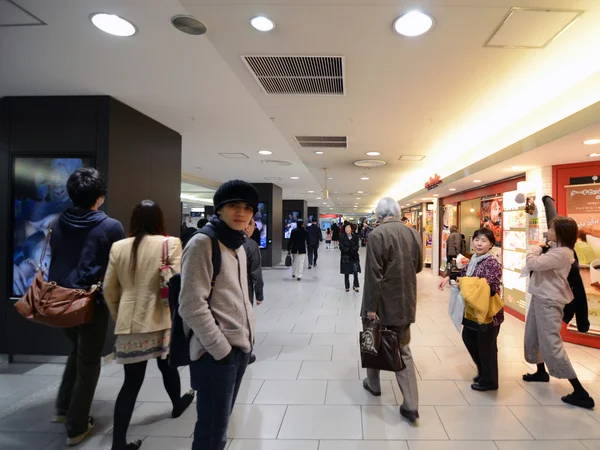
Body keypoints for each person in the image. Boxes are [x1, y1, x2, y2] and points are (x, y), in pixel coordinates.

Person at [104, 200, 194, 450]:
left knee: (131, 383)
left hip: (130, 322)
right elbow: (177, 282)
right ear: (160, 220)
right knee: (168, 366)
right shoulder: (170, 243)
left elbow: (109, 288)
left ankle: (118, 443)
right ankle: (176, 404)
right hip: (162, 317)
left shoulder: (119, 247)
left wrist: (118, 314)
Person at [48, 168, 125, 446]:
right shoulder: (110, 226)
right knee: (89, 362)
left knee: (77, 350)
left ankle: (62, 407)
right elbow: (118, 266)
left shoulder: (57, 222)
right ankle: (76, 425)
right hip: (90, 301)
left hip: (57, 300)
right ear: (100, 197)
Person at [179, 180, 257, 450]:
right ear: (220, 208)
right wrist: (220, 349)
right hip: (216, 355)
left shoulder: (238, 245)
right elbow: (190, 304)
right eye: (234, 205)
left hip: (239, 350)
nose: (241, 212)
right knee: (211, 434)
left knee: (220, 427)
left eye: (248, 208)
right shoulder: (203, 243)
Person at [521, 217, 595, 409]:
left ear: (561, 232)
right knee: (534, 336)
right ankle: (540, 372)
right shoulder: (555, 248)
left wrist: (535, 248)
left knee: (552, 344)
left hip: (550, 301)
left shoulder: (562, 252)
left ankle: (580, 392)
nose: (548, 231)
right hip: (540, 296)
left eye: (552, 228)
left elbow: (534, 264)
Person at [361, 198, 423, 423]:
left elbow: (373, 275)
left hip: (380, 303)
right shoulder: (413, 233)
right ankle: (410, 405)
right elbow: (417, 266)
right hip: (405, 301)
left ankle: (374, 385)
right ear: (397, 212)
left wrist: (370, 307)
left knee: (373, 340)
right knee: (403, 348)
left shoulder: (377, 235)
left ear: (379, 214)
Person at [439, 227, 503, 392]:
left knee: (486, 346)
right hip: (472, 310)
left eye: (484, 241)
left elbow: (491, 287)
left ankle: (490, 380)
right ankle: (483, 372)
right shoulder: (474, 258)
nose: (479, 244)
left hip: (487, 313)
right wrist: (448, 277)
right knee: (469, 338)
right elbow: (463, 273)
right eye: (477, 240)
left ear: (491, 244)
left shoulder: (492, 262)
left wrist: (465, 283)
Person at [243, 217, 264, 365]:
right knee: (246, 320)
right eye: (253, 227)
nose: (253, 230)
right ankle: (246, 352)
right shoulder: (250, 245)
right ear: (246, 227)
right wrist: (259, 294)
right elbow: (255, 272)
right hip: (245, 290)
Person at [340, 223, 361, 292]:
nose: (347, 229)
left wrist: (352, 250)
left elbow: (357, 246)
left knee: (355, 271)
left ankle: (355, 285)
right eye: (346, 228)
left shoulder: (355, 237)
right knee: (346, 272)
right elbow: (341, 247)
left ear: (351, 229)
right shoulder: (342, 237)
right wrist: (348, 250)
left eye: (348, 227)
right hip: (345, 257)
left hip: (354, 257)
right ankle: (347, 286)